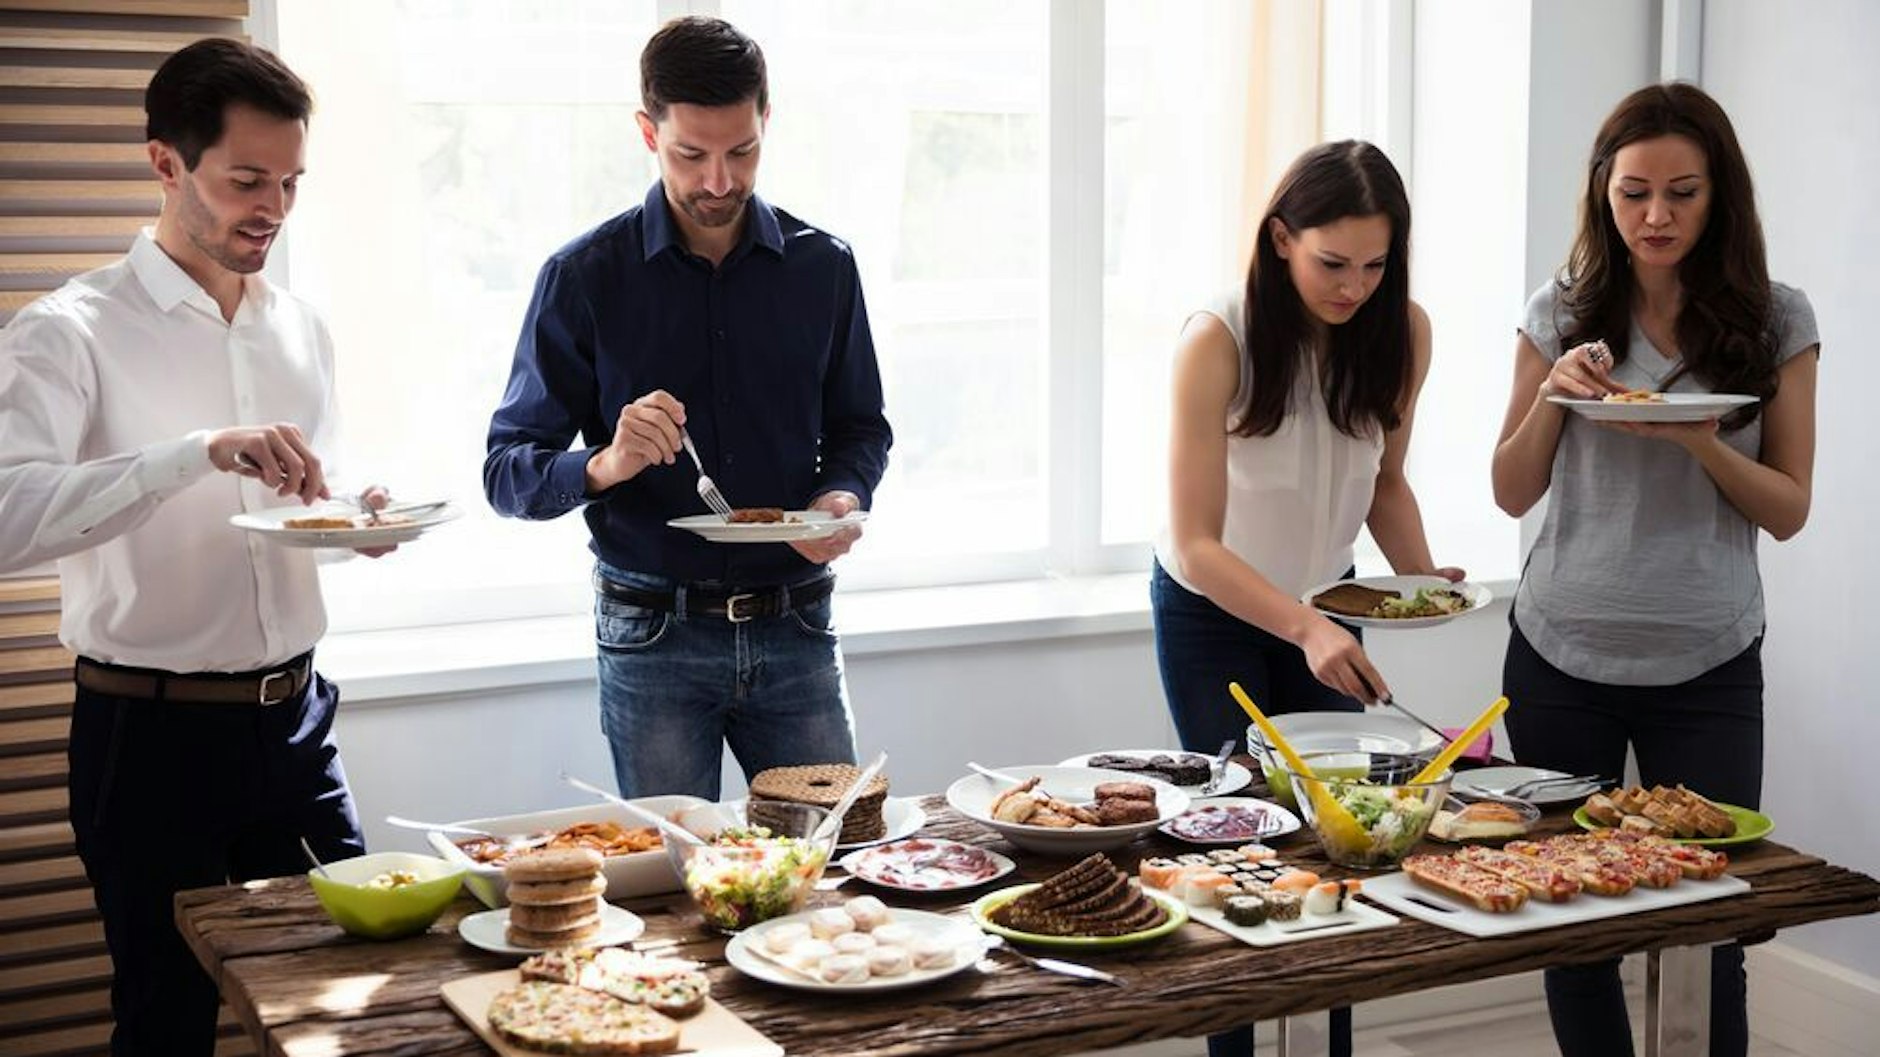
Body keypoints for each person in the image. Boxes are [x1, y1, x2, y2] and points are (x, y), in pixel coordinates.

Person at [0, 39, 388, 1056]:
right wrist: (191, 454)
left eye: (292, 181)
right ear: (166, 164)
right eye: (246, 179)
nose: (273, 206)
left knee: (355, 1001)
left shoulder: (300, 328)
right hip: (149, 739)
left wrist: (356, 518)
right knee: (168, 1022)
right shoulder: (65, 332)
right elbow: (7, 520)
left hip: (298, 726)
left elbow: (302, 509)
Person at [484, 16, 891, 801]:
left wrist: (842, 496)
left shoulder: (824, 267)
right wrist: (606, 463)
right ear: (647, 132)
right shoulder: (583, 276)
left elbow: (860, 427)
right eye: (690, 154)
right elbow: (507, 473)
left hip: (798, 624)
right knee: (677, 887)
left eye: (741, 151)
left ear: (765, 122)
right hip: (652, 633)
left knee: (835, 860)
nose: (718, 181)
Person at [1491, 82, 1817, 1057]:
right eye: (1632, 193)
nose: (1655, 216)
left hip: (1707, 663)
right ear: (1601, 193)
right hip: (1556, 655)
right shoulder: (1556, 311)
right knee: (1574, 931)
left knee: (1708, 929)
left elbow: (1788, 508)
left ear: (1718, 195)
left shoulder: (1775, 321)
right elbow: (1511, 489)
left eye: (1680, 192)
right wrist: (1550, 391)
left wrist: (1699, 443)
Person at [1151, 140, 1460, 1057]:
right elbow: (1198, 544)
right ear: (1281, 238)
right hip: (1213, 608)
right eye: (1333, 262)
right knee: (1237, 838)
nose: (1354, 286)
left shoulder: (1403, 330)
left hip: (1326, 605)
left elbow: (1387, 483)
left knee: (1339, 842)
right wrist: (1307, 625)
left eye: (1376, 264)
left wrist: (1418, 581)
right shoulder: (1217, 336)